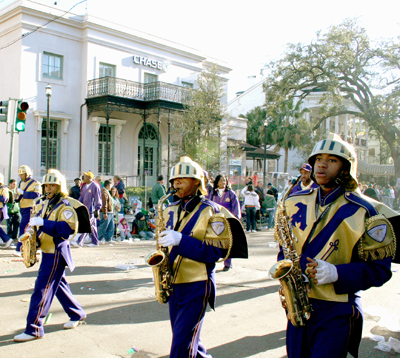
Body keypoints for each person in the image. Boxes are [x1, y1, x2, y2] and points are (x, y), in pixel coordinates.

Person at [277, 133, 396, 358]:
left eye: (332, 160)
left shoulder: (366, 211)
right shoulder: (294, 201)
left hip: (338, 309)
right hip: (299, 308)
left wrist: (336, 273)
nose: (322, 164)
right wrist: (289, 272)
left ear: (345, 168)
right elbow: (285, 247)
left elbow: (380, 270)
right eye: (318, 159)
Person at [157, 156, 247, 358]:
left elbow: (216, 252)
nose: (176, 183)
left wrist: (181, 240)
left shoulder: (212, 211)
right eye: (174, 180)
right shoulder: (170, 209)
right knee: (188, 342)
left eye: (182, 178)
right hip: (174, 283)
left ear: (197, 181)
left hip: (197, 283)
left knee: (181, 346)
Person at [13, 169, 90, 342]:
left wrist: (43, 223)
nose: (48, 189)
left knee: (42, 289)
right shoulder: (42, 203)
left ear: (59, 186)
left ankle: (34, 328)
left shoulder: (66, 205)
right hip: (47, 250)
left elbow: (67, 230)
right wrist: (31, 231)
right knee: (59, 287)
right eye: (46, 185)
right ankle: (77, 314)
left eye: (52, 185)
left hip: (56, 251)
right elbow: (38, 222)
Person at [207, 174, 241, 271]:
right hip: (215, 222)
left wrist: (234, 220)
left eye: (225, 180)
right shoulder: (213, 194)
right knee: (214, 242)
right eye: (221, 180)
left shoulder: (231, 194)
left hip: (227, 221)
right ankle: (212, 261)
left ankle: (228, 264)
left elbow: (235, 208)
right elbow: (208, 206)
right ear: (217, 182)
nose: (223, 182)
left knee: (227, 242)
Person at [13, 165, 42, 256]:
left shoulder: (35, 183)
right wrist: (17, 197)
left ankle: (19, 249)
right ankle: (37, 246)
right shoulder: (20, 183)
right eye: (20, 175)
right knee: (32, 228)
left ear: (27, 174)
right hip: (23, 207)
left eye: (22, 174)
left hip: (31, 208)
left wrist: (23, 193)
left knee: (23, 227)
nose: (20, 176)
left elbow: (37, 195)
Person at [75, 171, 102, 247]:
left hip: (92, 210)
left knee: (88, 225)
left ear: (90, 178)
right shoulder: (84, 186)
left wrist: (97, 209)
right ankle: (95, 242)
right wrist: (78, 204)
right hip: (85, 209)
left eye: (85, 176)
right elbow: (81, 197)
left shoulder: (95, 186)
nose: (83, 178)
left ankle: (79, 241)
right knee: (92, 226)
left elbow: (98, 198)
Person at [0, 173, 13, 248]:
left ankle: (7, 239)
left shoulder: (4, 188)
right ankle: (6, 239)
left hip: (0, 209)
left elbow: (5, 198)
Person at [7, 179, 21, 243]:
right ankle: (10, 238)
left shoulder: (17, 191)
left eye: (15, 184)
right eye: (13, 184)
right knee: (9, 225)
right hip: (10, 210)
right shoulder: (7, 191)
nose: (15, 185)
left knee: (17, 224)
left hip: (16, 210)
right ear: (10, 184)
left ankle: (15, 237)